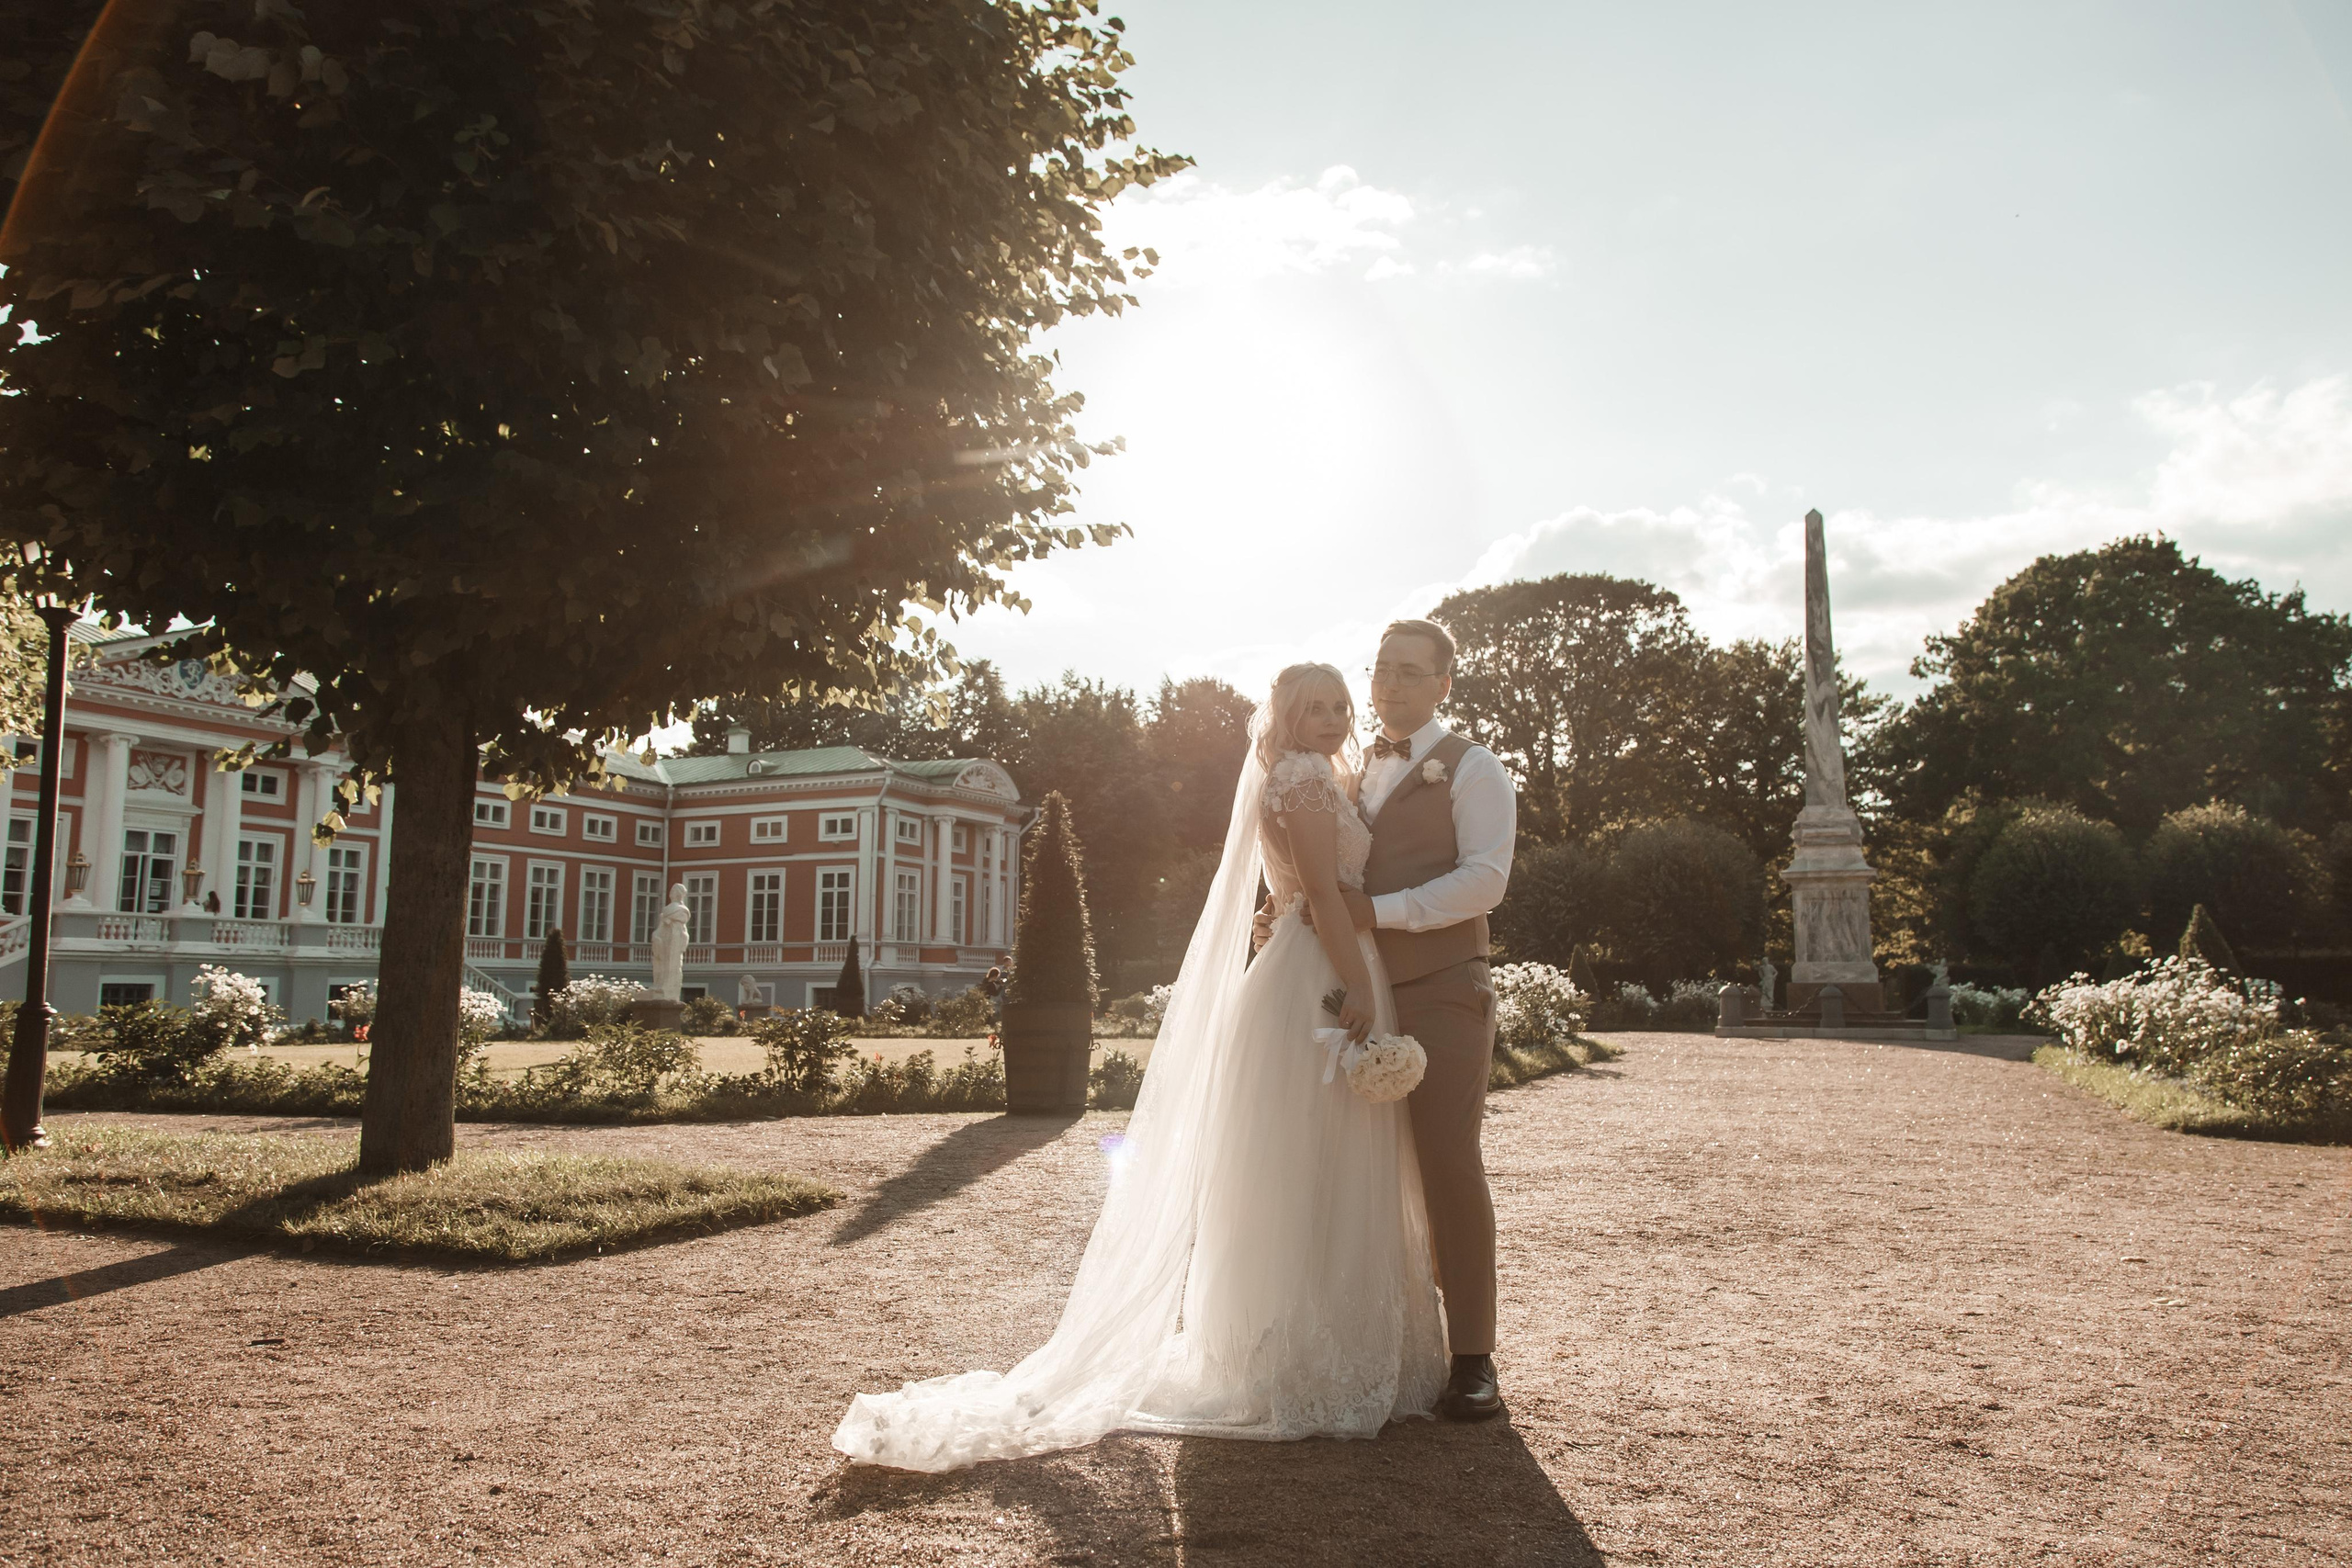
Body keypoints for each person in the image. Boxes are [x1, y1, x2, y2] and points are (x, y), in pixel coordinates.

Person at [832, 663, 1445, 1472]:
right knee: (1307, 1158)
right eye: (1314, 708)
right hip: (1323, 972)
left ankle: (1327, 1346)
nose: (1332, 718)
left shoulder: (1322, 776)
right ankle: (1294, 1358)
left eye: (1339, 706)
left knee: (1322, 1156)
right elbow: (1327, 896)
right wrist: (1359, 978)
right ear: (1287, 718)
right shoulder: (1298, 779)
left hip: (1317, 960)